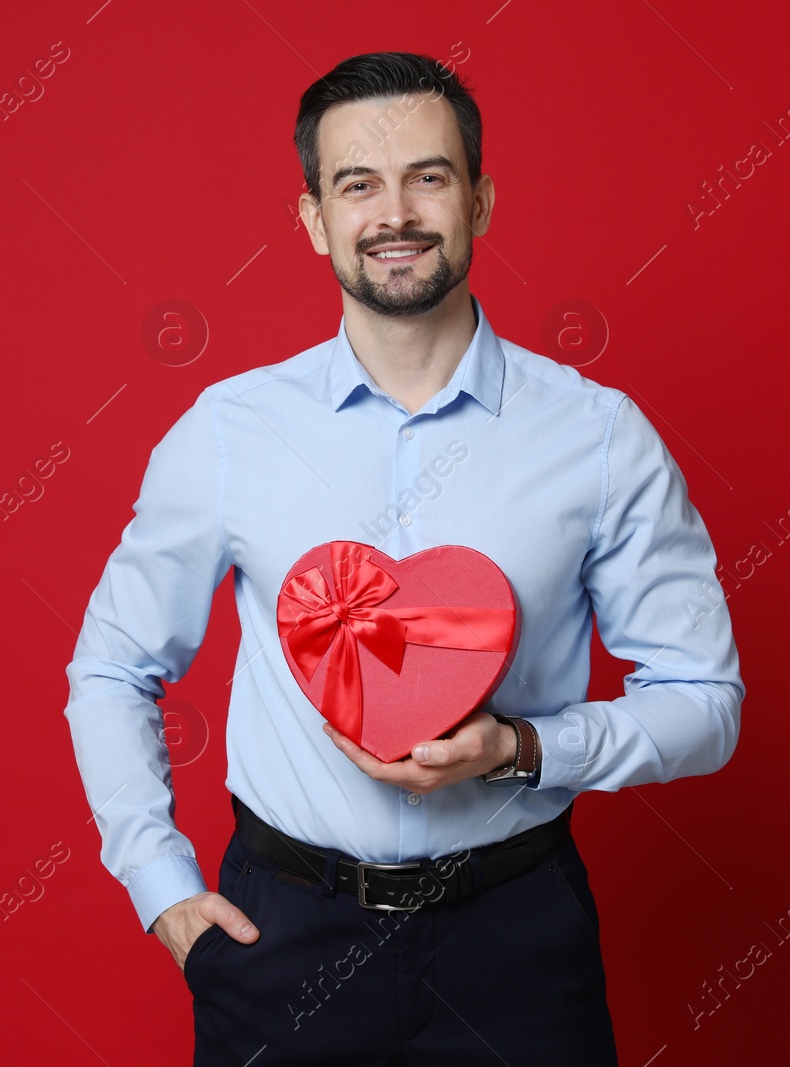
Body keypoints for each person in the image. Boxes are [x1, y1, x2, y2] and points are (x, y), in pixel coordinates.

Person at [62, 50, 744, 1066]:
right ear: (313, 219)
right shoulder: (228, 431)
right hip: (281, 939)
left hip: (516, 942)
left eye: (428, 176)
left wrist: (520, 748)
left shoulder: (598, 436)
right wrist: (162, 891)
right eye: (357, 184)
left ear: (480, 199)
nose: (395, 213)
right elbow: (112, 667)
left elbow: (706, 702)